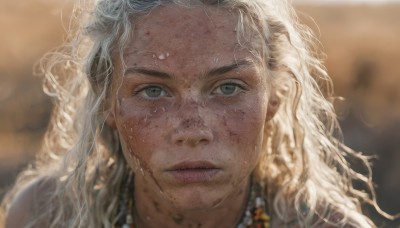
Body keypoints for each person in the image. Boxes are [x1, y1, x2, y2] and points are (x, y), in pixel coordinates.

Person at [1, 0, 386, 227]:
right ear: (107, 101)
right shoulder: (46, 217)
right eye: (153, 90)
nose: (193, 130)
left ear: (275, 94)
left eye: (228, 88)